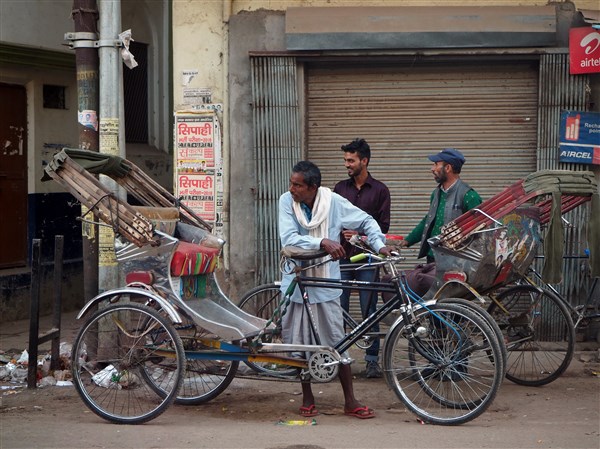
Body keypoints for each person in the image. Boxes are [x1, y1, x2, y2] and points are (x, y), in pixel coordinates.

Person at [279, 160, 393, 420]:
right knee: (301, 343)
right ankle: (307, 397)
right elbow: (288, 238)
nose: (292, 189)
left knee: (337, 341)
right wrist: (322, 241)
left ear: (313, 187)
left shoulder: (333, 202)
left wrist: (379, 245)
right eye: (291, 184)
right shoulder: (286, 201)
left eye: (297, 185)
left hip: (326, 283)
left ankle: (350, 400)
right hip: (297, 280)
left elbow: (366, 220)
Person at [333, 138, 390, 379]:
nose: (347, 164)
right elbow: (332, 220)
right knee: (338, 308)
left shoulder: (380, 190)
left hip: (367, 258)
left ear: (364, 161)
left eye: (351, 160)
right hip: (343, 257)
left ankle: (372, 360)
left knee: (370, 309)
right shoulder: (339, 189)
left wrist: (361, 235)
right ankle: (338, 359)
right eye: (346, 160)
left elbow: (383, 227)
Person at [399, 148, 482, 262]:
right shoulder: (437, 193)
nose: (432, 169)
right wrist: (407, 241)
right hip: (433, 257)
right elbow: (428, 221)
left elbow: (479, 233)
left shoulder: (469, 196)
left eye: (436, 164)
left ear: (448, 168)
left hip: (455, 261)